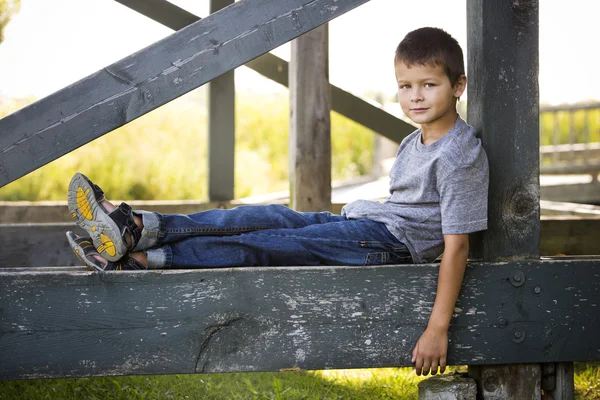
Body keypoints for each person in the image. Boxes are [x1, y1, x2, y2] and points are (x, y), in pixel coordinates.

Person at [65, 27, 488, 377]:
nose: (415, 97)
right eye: (405, 86)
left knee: (271, 240)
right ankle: (137, 228)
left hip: (389, 244)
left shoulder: (459, 156)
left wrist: (437, 329)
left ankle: (138, 263)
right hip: (368, 223)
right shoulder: (414, 140)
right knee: (267, 214)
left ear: (458, 86)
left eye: (429, 85)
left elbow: (457, 246)